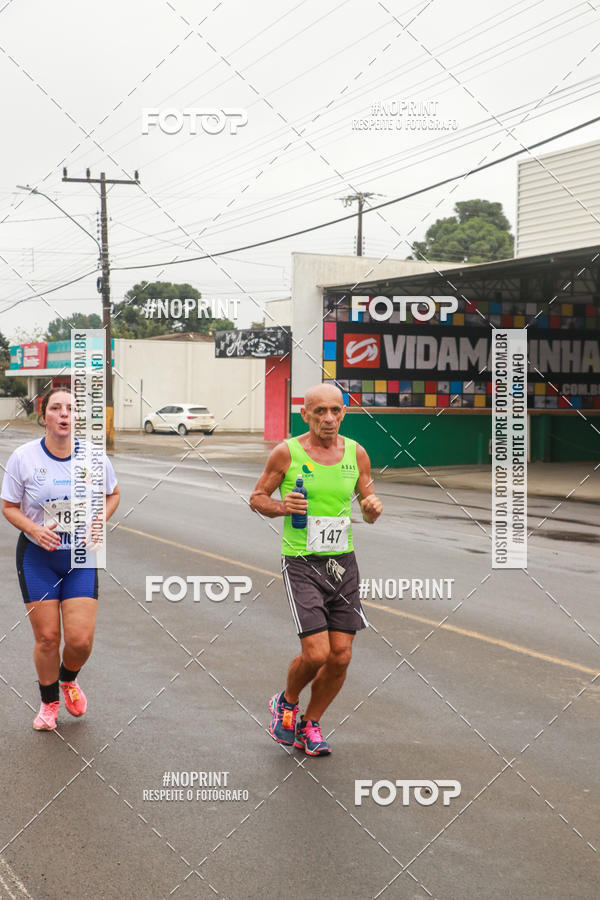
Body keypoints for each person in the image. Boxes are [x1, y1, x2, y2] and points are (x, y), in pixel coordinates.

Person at [250, 383, 382, 756]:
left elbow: (368, 502)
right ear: (305, 414)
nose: (328, 419)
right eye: (319, 411)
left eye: (335, 411)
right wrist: (282, 507)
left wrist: (372, 508)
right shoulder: (286, 453)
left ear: (344, 413)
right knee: (317, 653)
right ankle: (286, 702)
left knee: (341, 655)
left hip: (343, 563)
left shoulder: (356, 453)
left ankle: (311, 724)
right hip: (302, 562)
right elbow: (257, 498)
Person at [1, 388, 120, 731]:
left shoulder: (95, 458)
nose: (64, 414)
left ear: (77, 417)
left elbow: (113, 494)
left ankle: (69, 678)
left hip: (81, 555)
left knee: (80, 641)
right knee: (48, 638)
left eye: (71, 408)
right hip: (39, 557)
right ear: (44, 416)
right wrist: (34, 530)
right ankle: (49, 702)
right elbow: (8, 506)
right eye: (56, 408)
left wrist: (99, 521)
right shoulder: (24, 458)